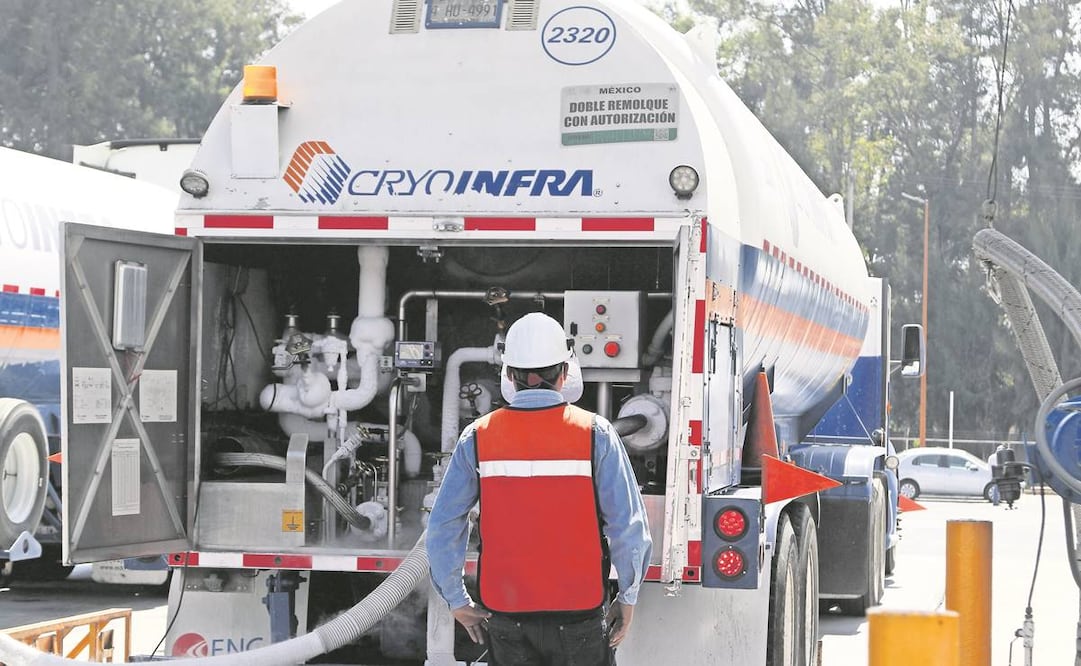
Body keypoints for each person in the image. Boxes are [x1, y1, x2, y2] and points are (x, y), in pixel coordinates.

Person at [427, 312, 653, 665]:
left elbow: (443, 526)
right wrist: (628, 596)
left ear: (509, 375)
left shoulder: (478, 436)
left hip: (507, 616)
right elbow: (628, 527)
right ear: (565, 373)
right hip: (579, 615)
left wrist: (457, 600)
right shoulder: (597, 434)